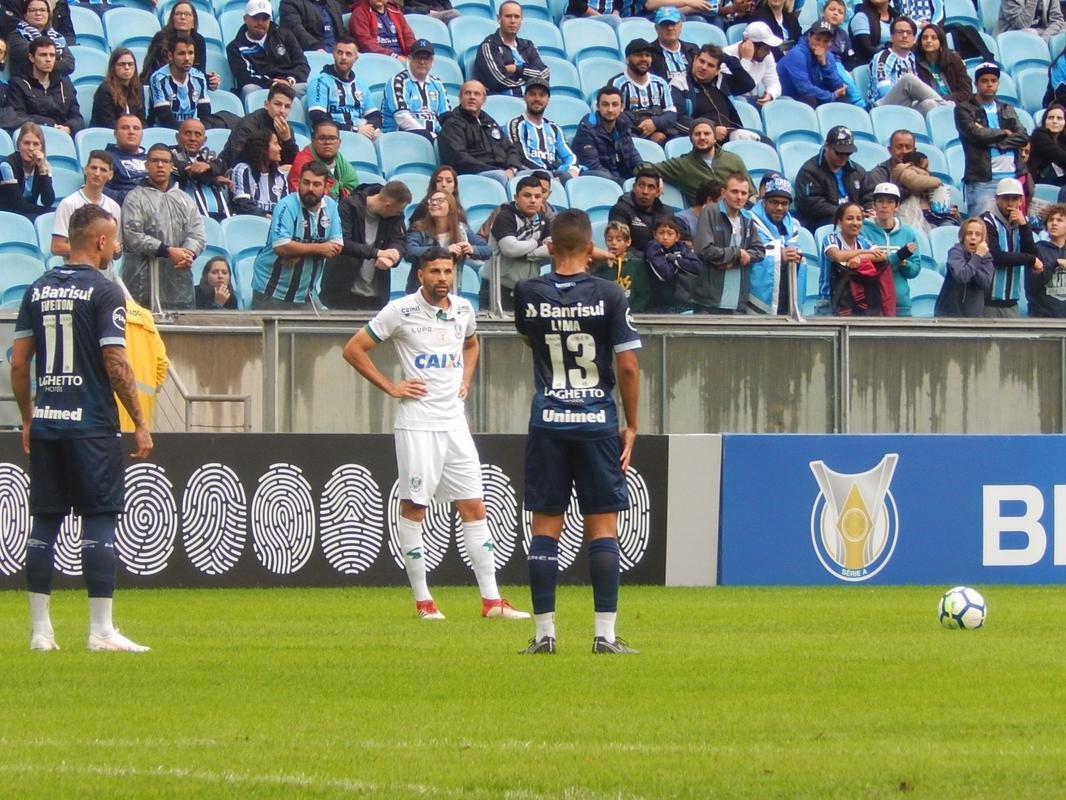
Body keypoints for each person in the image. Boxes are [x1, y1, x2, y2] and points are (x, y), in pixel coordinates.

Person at [343, 247, 530, 621]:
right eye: (435, 271)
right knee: (416, 507)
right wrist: (391, 387)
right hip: (418, 423)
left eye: (448, 271)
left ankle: (492, 601)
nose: (443, 278)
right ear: (420, 275)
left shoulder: (462, 309)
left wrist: (465, 379)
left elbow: (473, 343)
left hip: (455, 422)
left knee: (474, 505)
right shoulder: (400, 311)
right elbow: (353, 349)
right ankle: (423, 600)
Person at [9, 204, 153, 654]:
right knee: (99, 522)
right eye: (112, 241)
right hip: (91, 425)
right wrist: (141, 422)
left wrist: (29, 416)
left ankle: (40, 633)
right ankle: (101, 631)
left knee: (44, 525)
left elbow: (18, 363)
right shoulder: (104, 291)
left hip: (49, 423)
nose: (114, 248)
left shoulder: (36, 290)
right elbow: (115, 361)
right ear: (99, 241)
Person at [513, 208, 641, 656]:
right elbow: (626, 363)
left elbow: (532, 341)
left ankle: (544, 633)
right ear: (592, 249)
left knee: (545, 527)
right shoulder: (610, 295)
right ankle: (604, 635)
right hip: (596, 422)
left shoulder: (527, 292)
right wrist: (633, 424)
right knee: (602, 526)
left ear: (549, 247)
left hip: (548, 419)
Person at [122, 144, 207, 311]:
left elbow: (198, 234)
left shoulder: (185, 199)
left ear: (172, 166)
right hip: (141, 285)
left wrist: (187, 254)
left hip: (179, 285)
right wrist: (167, 251)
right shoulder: (134, 198)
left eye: (165, 161)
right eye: (154, 161)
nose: (160, 165)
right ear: (146, 165)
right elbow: (133, 236)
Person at [252, 161, 343, 309]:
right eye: (306, 183)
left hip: (307, 294)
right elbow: (282, 247)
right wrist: (319, 249)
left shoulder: (331, 206)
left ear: (326, 187)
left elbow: (336, 245)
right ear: (298, 182)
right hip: (272, 290)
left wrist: (298, 250)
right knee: (272, 333)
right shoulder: (286, 205)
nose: (310, 189)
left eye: (316, 184)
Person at [320, 179, 410, 310]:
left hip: (376, 295)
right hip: (342, 291)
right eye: (398, 211)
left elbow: (400, 240)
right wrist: (377, 253)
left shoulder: (396, 215)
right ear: (387, 205)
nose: (399, 214)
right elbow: (342, 243)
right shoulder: (349, 206)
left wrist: (394, 254)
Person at [956, 63, 1028, 218]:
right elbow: (975, 134)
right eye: (984, 81)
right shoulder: (964, 109)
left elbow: (1023, 136)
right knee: (983, 227)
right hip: (983, 181)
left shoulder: (1007, 108)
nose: (989, 84)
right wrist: (1005, 132)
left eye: (993, 80)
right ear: (976, 84)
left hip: (1012, 177)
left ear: (998, 83)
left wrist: (997, 141)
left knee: (1013, 226)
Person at [689, 171, 766, 313]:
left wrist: (737, 258)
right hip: (709, 300)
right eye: (734, 192)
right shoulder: (710, 212)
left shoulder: (747, 218)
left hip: (738, 301)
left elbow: (760, 251)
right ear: (724, 192)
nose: (739, 197)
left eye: (744, 193)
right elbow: (703, 249)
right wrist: (737, 253)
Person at [438, 80, 524, 186]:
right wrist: (497, 170)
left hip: (501, 171)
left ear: (484, 100)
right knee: (500, 176)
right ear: (460, 98)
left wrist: (512, 168)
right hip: (473, 173)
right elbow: (458, 158)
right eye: (467, 93)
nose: (472, 97)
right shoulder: (452, 123)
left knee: (535, 176)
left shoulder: (488, 121)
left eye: (477, 94)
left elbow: (510, 148)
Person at [652, 118, 754, 206]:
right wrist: (656, 176)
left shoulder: (734, 160)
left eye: (707, 133)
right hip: (704, 219)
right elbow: (643, 168)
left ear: (714, 138)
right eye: (697, 134)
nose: (702, 137)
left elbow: (751, 192)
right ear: (691, 139)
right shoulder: (682, 164)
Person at [979, 177, 1042, 318]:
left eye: (1015, 199)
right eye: (1006, 198)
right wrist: (1030, 259)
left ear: (1021, 201)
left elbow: (1033, 253)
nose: (1011, 203)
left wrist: (1024, 227)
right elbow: (996, 256)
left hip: (1012, 300)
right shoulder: (987, 221)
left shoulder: (1022, 221)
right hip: (988, 301)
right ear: (997, 199)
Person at [405, 190, 489, 292]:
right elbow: (410, 251)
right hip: (420, 290)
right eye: (431, 201)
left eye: (440, 200)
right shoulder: (418, 228)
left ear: (451, 207)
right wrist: (443, 250)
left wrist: (472, 249)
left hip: (451, 290)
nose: (434, 203)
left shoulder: (461, 229)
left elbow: (488, 250)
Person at [488, 174, 551, 310]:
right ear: (516, 197)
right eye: (527, 195)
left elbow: (551, 249)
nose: (533, 200)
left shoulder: (544, 220)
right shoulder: (505, 217)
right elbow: (510, 249)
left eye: (537, 196)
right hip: (497, 288)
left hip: (528, 289)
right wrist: (536, 243)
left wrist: (525, 253)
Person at [794, 125, 875, 230]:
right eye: (839, 153)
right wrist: (845, 212)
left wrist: (868, 210)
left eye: (848, 153)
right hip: (821, 221)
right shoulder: (809, 171)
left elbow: (868, 194)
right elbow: (811, 205)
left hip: (854, 218)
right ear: (827, 147)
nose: (844, 157)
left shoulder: (856, 170)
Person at [821, 201, 894, 315]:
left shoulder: (862, 240)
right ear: (840, 222)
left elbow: (882, 256)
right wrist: (862, 251)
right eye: (850, 218)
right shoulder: (831, 239)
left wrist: (860, 258)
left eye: (859, 219)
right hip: (828, 302)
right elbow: (837, 255)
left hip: (853, 303)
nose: (855, 223)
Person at [227, 0, 310, 98]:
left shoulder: (285, 35)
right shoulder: (235, 47)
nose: (260, 22)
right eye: (255, 17)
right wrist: (273, 84)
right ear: (245, 19)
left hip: (288, 83)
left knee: (308, 88)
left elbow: (303, 65)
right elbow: (244, 77)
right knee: (249, 89)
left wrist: (288, 80)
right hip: (261, 87)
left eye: (265, 18)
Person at [861, 182, 921, 316]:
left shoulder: (908, 233)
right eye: (880, 201)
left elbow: (915, 270)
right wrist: (898, 256)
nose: (884, 206)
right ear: (873, 205)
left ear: (897, 206)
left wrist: (904, 264)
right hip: (872, 303)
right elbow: (865, 266)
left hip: (901, 304)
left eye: (890, 202)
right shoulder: (863, 232)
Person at [867, 17, 949, 115]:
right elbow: (884, 92)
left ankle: (944, 112)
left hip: (906, 106)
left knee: (930, 104)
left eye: (909, 33)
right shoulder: (883, 57)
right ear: (892, 36)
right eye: (900, 32)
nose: (905, 36)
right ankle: (947, 107)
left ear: (914, 39)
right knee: (908, 79)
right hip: (883, 109)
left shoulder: (911, 57)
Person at [305, 36, 381, 137]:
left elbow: (375, 115)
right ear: (333, 54)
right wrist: (353, 130)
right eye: (340, 53)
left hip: (361, 132)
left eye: (348, 54)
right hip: (332, 136)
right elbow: (318, 117)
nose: (343, 57)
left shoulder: (360, 84)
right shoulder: (320, 81)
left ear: (356, 58)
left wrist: (369, 128)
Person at [748, 173, 802, 315]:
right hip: (754, 296)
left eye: (784, 204)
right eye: (774, 202)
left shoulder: (793, 226)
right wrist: (780, 254)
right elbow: (749, 253)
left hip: (786, 291)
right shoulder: (749, 220)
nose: (779, 207)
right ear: (764, 201)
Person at [683, 45, 759, 144]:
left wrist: (726, 57)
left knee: (765, 141)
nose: (704, 67)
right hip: (702, 138)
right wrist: (711, 129)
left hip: (730, 134)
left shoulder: (722, 81)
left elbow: (748, 84)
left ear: (717, 70)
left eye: (711, 65)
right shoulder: (682, 84)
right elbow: (679, 118)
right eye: (701, 61)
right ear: (694, 59)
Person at [51, 150, 121, 258]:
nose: (97, 173)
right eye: (94, 168)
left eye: (103, 170)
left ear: (110, 175)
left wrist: (116, 250)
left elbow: (116, 252)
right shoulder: (68, 204)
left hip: (106, 274)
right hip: (77, 272)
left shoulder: (114, 207)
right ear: (85, 169)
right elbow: (57, 247)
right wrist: (95, 250)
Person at [473, 0, 550, 98]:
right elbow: (498, 80)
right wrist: (532, 81)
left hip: (531, 102)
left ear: (521, 19)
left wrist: (516, 69)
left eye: (517, 17)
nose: (513, 21)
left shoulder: (528, 45)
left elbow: (544, 74)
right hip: (504, 102)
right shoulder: (489, 46)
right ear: (498, 18)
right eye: (508, 16)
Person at [6, 37, 83, 134]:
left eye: (52, 55)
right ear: (31, 57)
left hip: (62, 137)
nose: (48, 59)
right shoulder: (18, 84)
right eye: (43, 55)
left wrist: (69, 128)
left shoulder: (65, 85)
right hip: (31, 136)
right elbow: (18, 116)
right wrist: (50, 124)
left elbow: (78, 118)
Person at [610, 38, 680, 144]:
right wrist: (647, 132)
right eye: (638, 55)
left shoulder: (660, 83)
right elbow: (616, 116)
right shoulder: (617, 83)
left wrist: (655, 123)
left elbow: (671, 114)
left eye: (647, 55)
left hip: (661, 132)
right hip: (632, 136)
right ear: (628, 59)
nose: (644, 59)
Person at [140, 2, 221, 90]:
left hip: (189, 88)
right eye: (178, 14)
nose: (182, 17)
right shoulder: (161, 38)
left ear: (194, 20)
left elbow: (199, 72)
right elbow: (151, 71)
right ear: (172, 19)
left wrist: (211, 81)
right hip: (161, 86)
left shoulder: (199, 40)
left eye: (187, 14)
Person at [508, 81, 579, 181]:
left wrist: (573, 169)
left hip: (554, 174)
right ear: (524, 97)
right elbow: (520, 158)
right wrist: (548, 174)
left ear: (548, 100)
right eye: (532, 94)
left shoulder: (554, 128)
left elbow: (569, 155)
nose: (537, 99)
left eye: (542, 95)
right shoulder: (516, 124)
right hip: (529, 176)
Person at [571, 85, 642, 184]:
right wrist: (624, 183)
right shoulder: (587, 128)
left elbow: (634, 158)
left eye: (615, 104)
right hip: (598, 183)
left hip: (621, 180)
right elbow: (593, 166)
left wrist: (647, 175)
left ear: (622, 107)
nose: (610, 110)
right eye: (605, 104)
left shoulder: (623, 126)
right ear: (598, 106)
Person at [219, 83, 300, 170]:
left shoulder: (286, 128)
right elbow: (236, 161)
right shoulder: (248, 125)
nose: (282, 111)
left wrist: (288, 141)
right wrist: (277, 172)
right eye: (277, 104)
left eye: (287, 106)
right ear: (266, 105)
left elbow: (294, 164)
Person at [381, 39, 448, 138]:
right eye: (418, 57)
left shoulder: (438, 84)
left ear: (432, 61)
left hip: (434, 138)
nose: (422, 62)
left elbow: (445, 117)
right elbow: (401, 117)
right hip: (401, 138)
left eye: (426, 58)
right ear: (409, 59)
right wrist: (428, 135)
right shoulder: (398, 81)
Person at [169, 118, 231, 221]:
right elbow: (182, 169)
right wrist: (212, 177)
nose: (193, 138)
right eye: (187, 133)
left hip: (219, 215)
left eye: (198, 134)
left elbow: (222, 165)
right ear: (177, 136)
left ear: (204, 140)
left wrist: (209, 167)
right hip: (186, 217)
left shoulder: (208, 156)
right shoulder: (170, 153)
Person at [148, 33, 212, 129]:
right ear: (170, 56)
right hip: (162, 132)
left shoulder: (199, 77)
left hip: (188, 132)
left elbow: (205, 114)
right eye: (181, 53)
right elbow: (165, 117)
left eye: (190, 53)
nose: (187, 58)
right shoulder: (158, 78)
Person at [934, 216, 994, 317]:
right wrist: (977, 257)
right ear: (963, 236)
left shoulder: (986, 257)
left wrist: (974, 259)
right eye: (969, 233)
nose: (973, 237)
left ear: (982, 239)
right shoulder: (955, 252)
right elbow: (962, 276)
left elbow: (985, 283)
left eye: (978, 234)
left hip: (973, 314)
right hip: (948, 313)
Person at [776, 21, 846, 107]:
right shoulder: (797, 54)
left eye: (826, 41)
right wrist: (831, 96)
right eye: (818, 39)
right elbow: (804, 88)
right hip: (788, 98)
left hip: (813, 96)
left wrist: (824, 65)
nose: (821, 44)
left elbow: (838, 86)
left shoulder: (828, 55)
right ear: (809, 36)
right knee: (810, 100)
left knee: (843, 99)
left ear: (830, 42)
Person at [591, 219, 652, 312]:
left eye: (619, 239)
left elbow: (644, 295)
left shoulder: (637, 265)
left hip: (632, 316)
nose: (613, 243)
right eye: (609, 239)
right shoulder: (600, 265)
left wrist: (629, 313)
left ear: (628, 242)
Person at [288, 120, 359, 198]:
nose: (328, 142)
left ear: (339, 142)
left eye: (332, 138)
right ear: (313, 141)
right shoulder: (303, 163)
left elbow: (355, 192)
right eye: (322, 138)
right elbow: (299, 196)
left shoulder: (343, 164)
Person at [6, 0, 74, 80]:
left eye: (42, 10)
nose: (38, 13)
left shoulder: (58, 37)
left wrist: (43, 61)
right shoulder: (16, 36)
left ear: (48, 14)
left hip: (58, 85)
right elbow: (33, 57)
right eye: (33, 10)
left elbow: (69, 65)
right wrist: (59, 58)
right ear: (25, 15)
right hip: (27, 86)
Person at [644, 216, 700, 312]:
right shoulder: (652, 247)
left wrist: (675, 259)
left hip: (675, 301)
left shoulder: (680, 247)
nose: (665, 237)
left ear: (677, 237)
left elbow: (697, 266)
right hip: (654, 302)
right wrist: (679, 260)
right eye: (661, 233)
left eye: (670, 234)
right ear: (654, 235)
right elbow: (665, 274)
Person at [229, 128, 289, 217]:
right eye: (275, 144)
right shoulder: (243, 170)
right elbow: (243, 204)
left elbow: (284, 208)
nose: (279, 148)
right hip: (248, 225)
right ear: (263, 147)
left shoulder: (279, 176)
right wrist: (265, 216)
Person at [608, 166, 671, 251]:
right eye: (641, 185)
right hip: (632, 262)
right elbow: (620, 246)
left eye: (651, 187)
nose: (645, 191)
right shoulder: (620, 210)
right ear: (634, 187)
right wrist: (650, 258)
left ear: (657, 192)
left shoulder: (666, 212)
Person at [0, 121, 53, 220]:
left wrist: (42, 171)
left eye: (36, 144)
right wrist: (50, 211)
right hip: (6, 215)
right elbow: (19, 205)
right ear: (19, 145)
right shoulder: (6, 166)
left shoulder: (44, 165)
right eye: (26, 143)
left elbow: (48, 201)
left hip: (29, 214)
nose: (31, 148)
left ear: (41, 147)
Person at [723, 21, 783, 108]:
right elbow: (733, 88)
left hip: (755, 100)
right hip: (734, 102)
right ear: (750, 45)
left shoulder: (767, 56)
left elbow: (774, 83)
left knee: (785, 99)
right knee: (741, 99)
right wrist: (746, 60)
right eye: (766, 48)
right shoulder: (726, 56)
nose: (769, 52)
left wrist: (770, 95)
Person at [914, 23, 973, 104]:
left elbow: (966, 91)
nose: (928, 41)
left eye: (934, 38)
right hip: (929, 106)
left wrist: (944, 100)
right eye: (925, 38)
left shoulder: (954, 60)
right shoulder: (916, 62)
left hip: (954, 105)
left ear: (941, 42)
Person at [648, 7, 699, 95]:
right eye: (665, 24)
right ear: (656, 28)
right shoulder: (649, 53)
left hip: (696, 97)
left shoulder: (692, 49)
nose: (670, 28)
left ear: (681, 25)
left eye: (673, 23)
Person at [91, 48, 146, 129]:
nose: (127, 68)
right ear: (113, 67)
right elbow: (107, 124)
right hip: (107, 135)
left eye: (130, 64)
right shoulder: (105, 90)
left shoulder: (138, 88)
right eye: (122, 64)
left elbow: (142, 120)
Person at [1029, 203, 1066, 317]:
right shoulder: (1037, 249)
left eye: (1059, 220)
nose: (1054, 223)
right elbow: (1032, 286)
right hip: (1042, 318)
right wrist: (1055, 263)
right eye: (1051, 220)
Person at [103, 113, 147, 206]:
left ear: (142, 134)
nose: (131, 132)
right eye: (125, 128)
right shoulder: (105, 158)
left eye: (136, 128)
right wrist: (134, 198)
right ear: (115, 134)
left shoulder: (152, 159)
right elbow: (99, 189)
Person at [349, 0, 415, 60]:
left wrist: (414, 53)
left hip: (402, 57)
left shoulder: (395, 11)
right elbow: (365, 43)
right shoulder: (360, 13)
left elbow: (408, 36)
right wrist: (394, 56)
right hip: (377, 60)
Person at [280, 0, 345, 54]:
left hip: (338, 54)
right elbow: (296, 30)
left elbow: (341, 31)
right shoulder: (289, 3)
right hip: (311, 54)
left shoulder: (334, 4)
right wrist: (316, 47)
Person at [867, 129, 916, 194]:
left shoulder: (921, 172)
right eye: (899, 147)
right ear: (890, 150)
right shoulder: (878, 173)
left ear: (914, 150)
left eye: (908, 147)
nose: (904, 151)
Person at [1028, 104, 1066, 187]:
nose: (1054, 121)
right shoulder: (1039, 135)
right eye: (1050, 118)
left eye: (1059, 118)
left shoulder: (1062, 140)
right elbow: (1058, 155)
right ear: (1045, 121)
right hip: (1040, 182)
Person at [849, 0, 898, 65]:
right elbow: (866, 49)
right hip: (870, 67)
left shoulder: (897, 18)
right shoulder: (861, 17)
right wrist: (894, 57)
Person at [999, 0, 1065, 41]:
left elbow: (1057, 19)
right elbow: (1022, 25)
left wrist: (1045, 38)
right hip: (1012, 35)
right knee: (1031, 32)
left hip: (1042, 34)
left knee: (1063, 33)